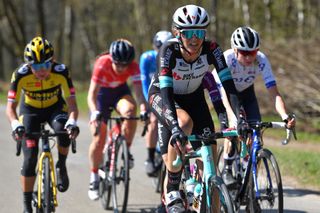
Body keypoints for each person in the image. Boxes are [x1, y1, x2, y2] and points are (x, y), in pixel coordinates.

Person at [148, 5, 240, 212]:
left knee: (210, 169)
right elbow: (166, 92)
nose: (194, 38)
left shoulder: (212, 50)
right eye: (188, 33)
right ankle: (172, 188)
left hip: (195, 99)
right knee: (184, 123)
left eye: (199, 32)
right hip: (165, 97)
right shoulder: (168, 51)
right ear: (177, 33)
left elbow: (229, 86)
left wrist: (239, 118)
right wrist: (175, 128)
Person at [6, 36, 80, 213]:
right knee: (30, 157)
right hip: (30, 110)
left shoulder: (62, 71)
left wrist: (72, 122)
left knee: (63, 132)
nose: (41, 71)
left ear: (52, 61)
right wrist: (16, 124)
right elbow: (11, 107)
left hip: (55, 108)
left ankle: (61, 165)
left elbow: (72, 104)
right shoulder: (20, 74)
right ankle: (26, 205)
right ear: (28, 65)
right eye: (36, 67)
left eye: (45, 65)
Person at [220, 26, 296, 185]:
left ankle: (249, 180)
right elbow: (222, 95)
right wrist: (234, 118)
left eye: (253, 52)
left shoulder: (261, 59)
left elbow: (274, 93)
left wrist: (284, 116)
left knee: (256, 134)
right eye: (244, 53)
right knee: (233, 128)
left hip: (247, 94)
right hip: (227, 94)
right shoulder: (226, 58)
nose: (249, 58)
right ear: (235, 50)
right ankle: (227, 167)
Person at [87, 38, 147, 201]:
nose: (121, 68)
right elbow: (91, 94)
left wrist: (143, 109)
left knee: (130, 111)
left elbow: (139, 93)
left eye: (125, 65)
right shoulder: (102, 63)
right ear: (112, 59)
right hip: (101, 96)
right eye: (118, 64)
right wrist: (94, 113)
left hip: (120, 92)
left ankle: (126, 148)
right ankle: (94, 177)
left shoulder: (133, 66)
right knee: (98, 137)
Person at [140, 30, 173, 176]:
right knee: (153, 120)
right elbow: (144, 82)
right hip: (152, 91)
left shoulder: (173, 56)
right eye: (159, 48)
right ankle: (150, 157)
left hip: (168, 90)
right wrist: (148, 106)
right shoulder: (146, 58)